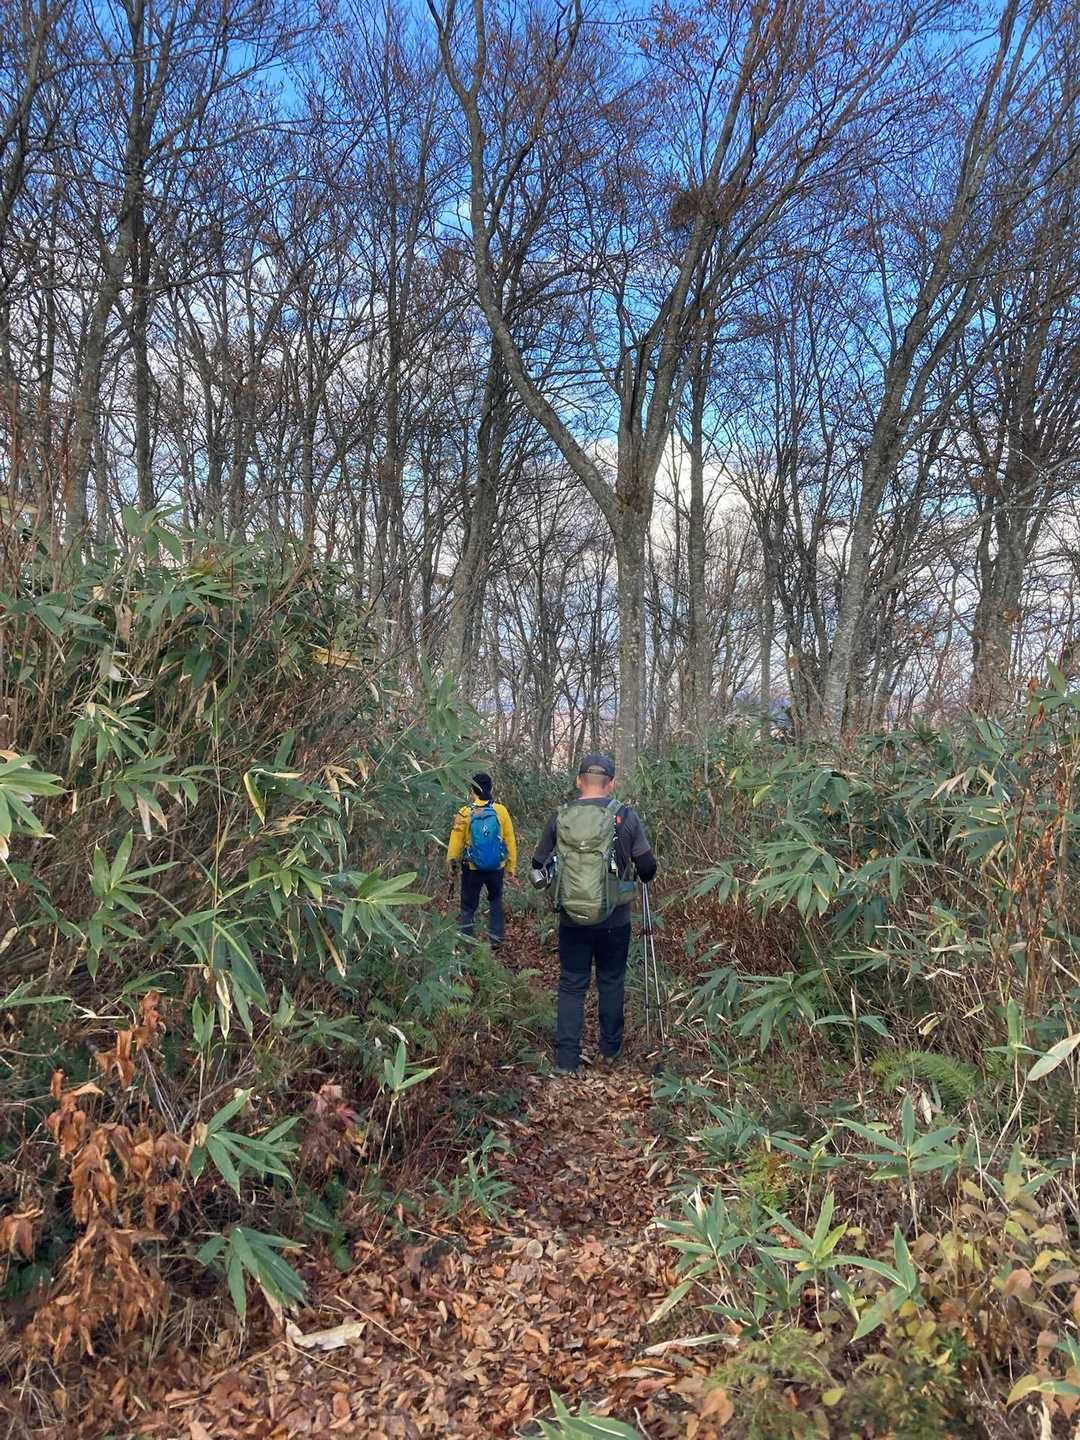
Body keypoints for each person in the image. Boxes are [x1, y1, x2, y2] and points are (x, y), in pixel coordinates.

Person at [531, 753, 657, 1075]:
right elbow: (647, 867)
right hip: (615, 918)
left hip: (572, 917)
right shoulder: (625, 816)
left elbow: (537, 864)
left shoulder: (560, 816)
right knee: (611, 982)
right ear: (611, 784)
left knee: (572, 985)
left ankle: (567, 1060)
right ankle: (609, 1052)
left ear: (578, 781)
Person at [446, 772, 517, 947]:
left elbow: (455, 842)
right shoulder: (501, 811)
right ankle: (496, 939)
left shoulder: (465, 812)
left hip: (472, 868)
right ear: (491, 787)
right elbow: (510, 840)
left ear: (473, 790)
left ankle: (467, 943)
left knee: (468, 907)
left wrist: (452, 864)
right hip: (496, 867)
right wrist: (511, 867)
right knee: (496, 900)